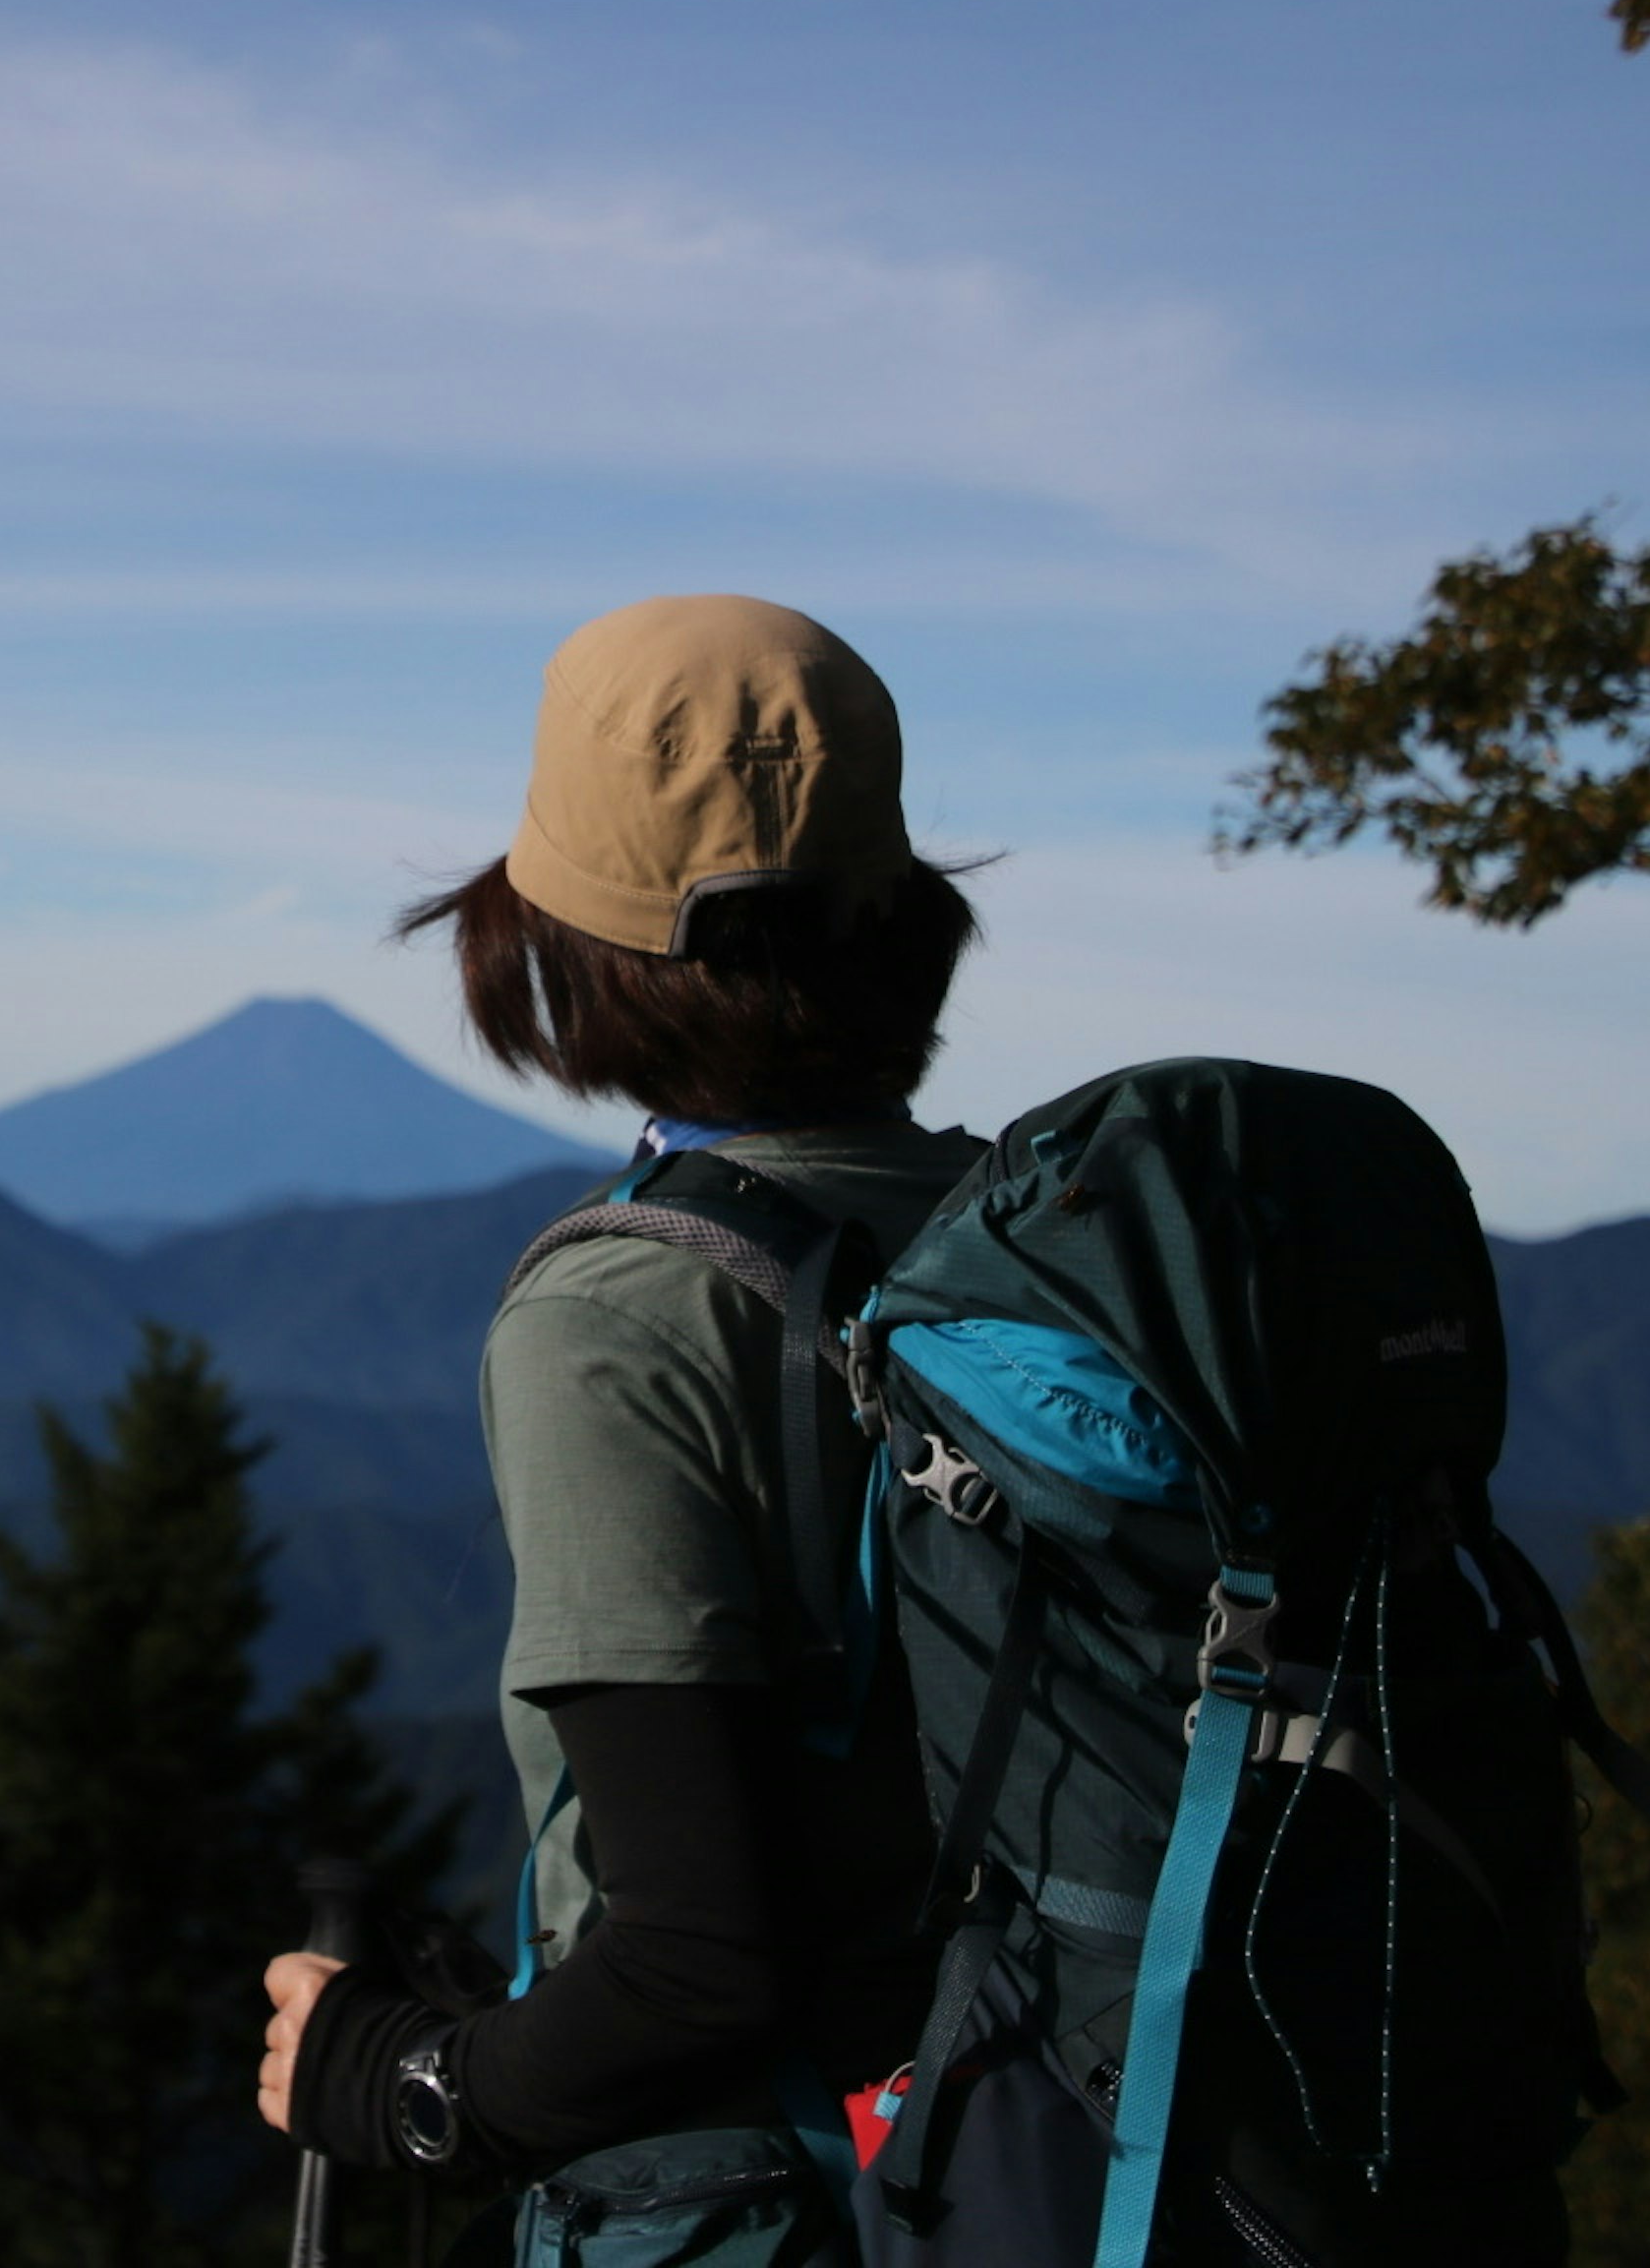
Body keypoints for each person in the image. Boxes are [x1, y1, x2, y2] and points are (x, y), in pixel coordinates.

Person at [258, 594, 987, 2260]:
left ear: (556, 939)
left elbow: (697, 1963)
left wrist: (406, 2078)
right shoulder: (1037, 1234)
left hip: (784, 2196)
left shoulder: (622, 1315)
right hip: (1048, 2148)